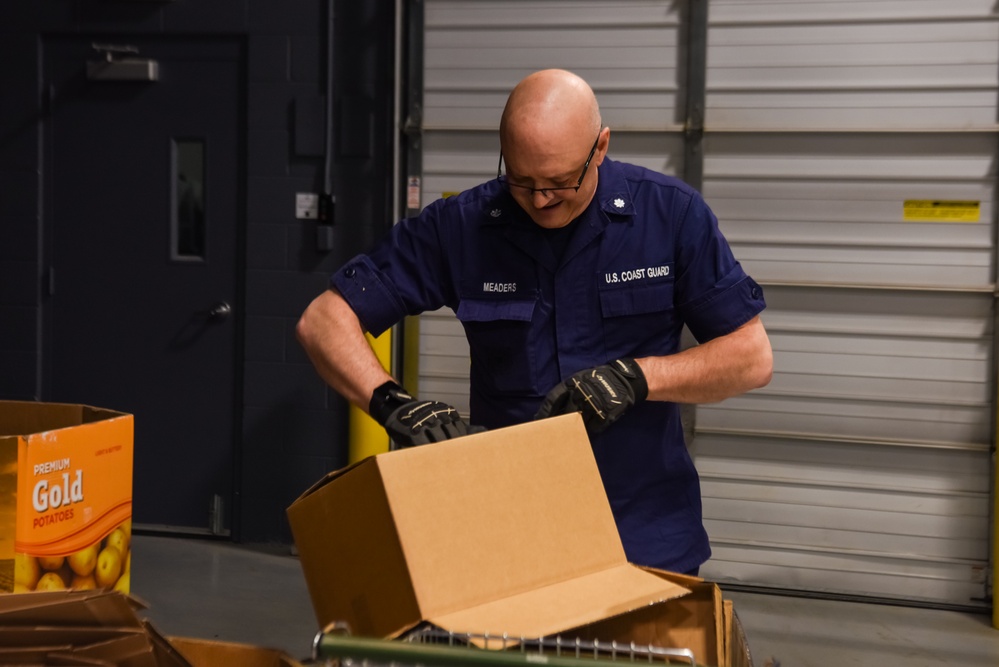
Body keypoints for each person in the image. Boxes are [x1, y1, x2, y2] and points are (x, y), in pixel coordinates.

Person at [296, 68, 773, 575]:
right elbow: (323, 319)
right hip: (510, 535)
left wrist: (639, 378)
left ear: (601, 146)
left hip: (641, 533)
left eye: (561, 183)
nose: (542, 200)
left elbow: (750, 357)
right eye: (522, 181)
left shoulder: (671, 216)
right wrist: (392, 404)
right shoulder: (463, 227)